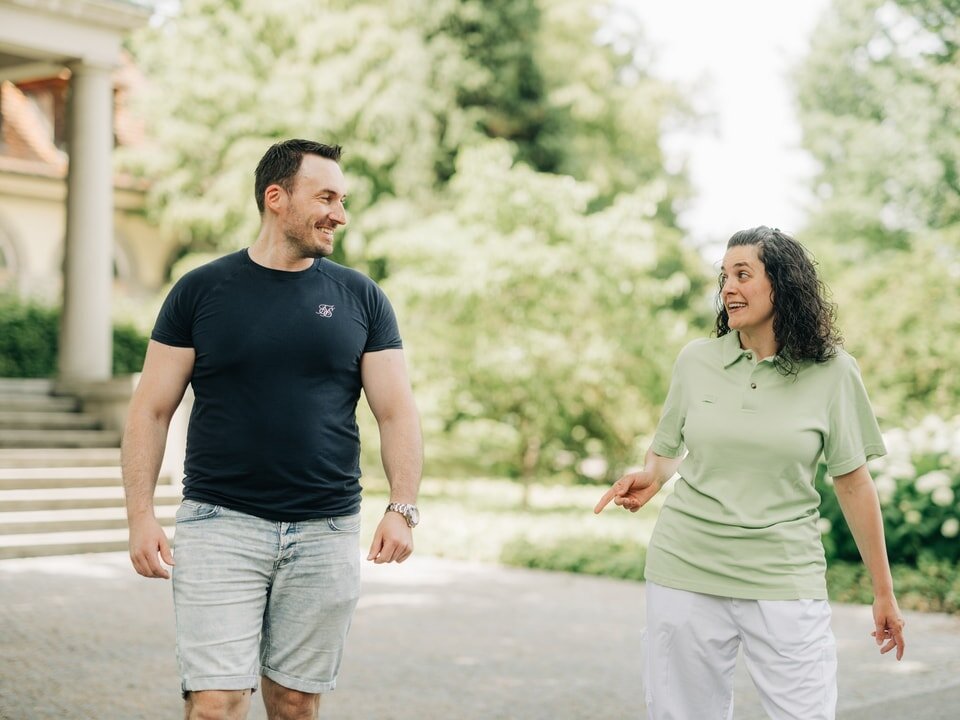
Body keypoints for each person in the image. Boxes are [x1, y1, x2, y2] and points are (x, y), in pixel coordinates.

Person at [122, 139, 423, 720]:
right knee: (215, 703)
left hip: (325, 530)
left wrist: (402, 507)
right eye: (327, 197)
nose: (341, 213)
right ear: (276, 198)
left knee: (294, 704)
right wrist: (140, 514)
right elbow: (150, 409)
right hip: (219, 526)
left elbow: (397, 412)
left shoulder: (361, 297)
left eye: (343, 199)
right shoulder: (200, 291)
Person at [595, 226, 905, 720]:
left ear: (782, 285)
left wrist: (883, 591)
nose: (728, 289)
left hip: (784, 572)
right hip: (686, 568)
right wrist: (650, 478)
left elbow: (852, 482)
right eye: (724, 277)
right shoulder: (697, 361)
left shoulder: (833, 372)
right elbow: (668, 452)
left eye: (744, 274)